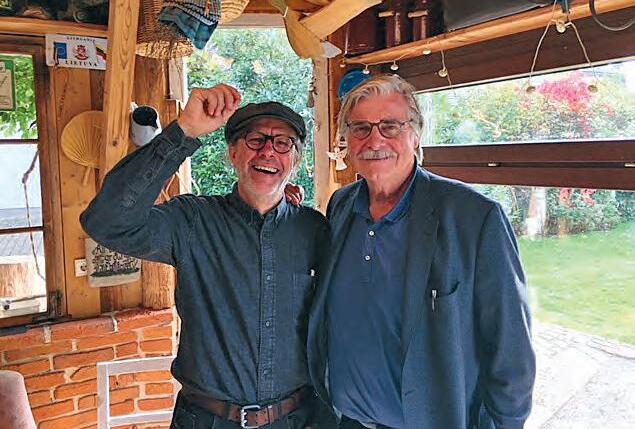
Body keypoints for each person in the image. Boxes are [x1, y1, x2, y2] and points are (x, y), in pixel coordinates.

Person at [81, 84, 333, 429]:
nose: (268, 151)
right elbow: (106, 222)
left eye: (283, 143)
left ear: (295, 160)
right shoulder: (193, 221)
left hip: (298, 419)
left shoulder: (314, 230)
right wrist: (184, 131)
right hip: (206, 420)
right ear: (233, 154)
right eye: (255, 140)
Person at [307, 74, 536, 429]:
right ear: (347, 140)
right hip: (345, 421)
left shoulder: (474, 217)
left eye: (390, 126)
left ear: (415, 135)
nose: (375, 140)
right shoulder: (341, 205)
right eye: (361, 128)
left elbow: (512, 350)